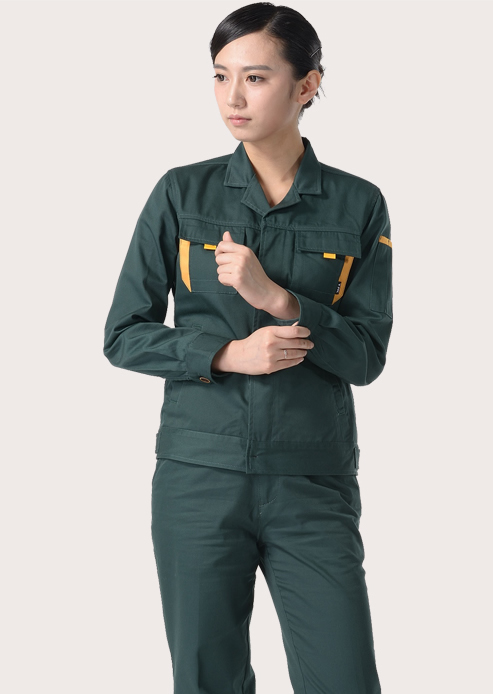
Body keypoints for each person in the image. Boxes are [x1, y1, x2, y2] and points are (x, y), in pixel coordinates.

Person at [103, 3, 393, 692]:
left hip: (311, 479)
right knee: (207, 680)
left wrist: (282, 301)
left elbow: (366, 357)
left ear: (306, 85)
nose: (233, 96)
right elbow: (123, 334)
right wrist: (225, 355)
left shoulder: (357, 204)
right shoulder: (181, 192)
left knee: (344, 678)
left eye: (255, 77)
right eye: (220, 75)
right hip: (198, 476)